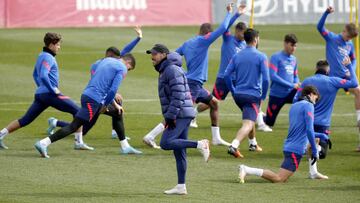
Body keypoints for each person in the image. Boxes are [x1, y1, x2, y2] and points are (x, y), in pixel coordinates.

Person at [143, 3, 241, 148]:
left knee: (214, 104)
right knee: (180, 112)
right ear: (208, 34)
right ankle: (151, 136)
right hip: (193, 83)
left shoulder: (188, 42)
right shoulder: (204, 40)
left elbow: (172, 55)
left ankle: (216, 138)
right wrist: (230, 13)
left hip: (194, 82)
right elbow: (222, 29)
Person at [46, 26, 143, 154]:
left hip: (95, 98)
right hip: (95, 100)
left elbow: (126, 52)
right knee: (81, 127)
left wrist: (138, 38)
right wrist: (107, 102)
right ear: (112, 56)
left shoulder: (107, 62)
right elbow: (104, 87)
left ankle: (122, 143)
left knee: (117, 111)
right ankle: (54, 126)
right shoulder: (103, 65)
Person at [0, 32, 92, 151]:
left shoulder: (41, 55)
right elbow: (43, 75)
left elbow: (35, 75)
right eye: (58, 44)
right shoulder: (48, 57)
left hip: (41, 95)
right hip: (49, 94)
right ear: (51, 45)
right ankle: (78, 142)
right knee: (79, 111)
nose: (59, 47)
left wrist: (41, 88)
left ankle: (1, 135)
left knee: (25, 120)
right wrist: (52, 89)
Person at [34, 52, 136, 158]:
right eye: (129, 68)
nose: (127, 70)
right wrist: (105, 105)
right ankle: (44, 143)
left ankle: (125, 147)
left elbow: (96, 73)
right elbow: (113, 90)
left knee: (117, 112)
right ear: (128, 62)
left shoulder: (106, 60)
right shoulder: (122, 69)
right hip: (94, 101)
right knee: (74, 126)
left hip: (87, 95)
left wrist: (114, 104)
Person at [146, 44, 210, 195]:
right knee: (179, 151)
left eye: (154, 54)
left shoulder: (171, 69)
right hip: (182, 112)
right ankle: (181, 186)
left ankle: (201, 144)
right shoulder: (166, 69)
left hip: (180, 113)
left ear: (163, 54)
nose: (152, 58)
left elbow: (179, 94)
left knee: (166, 143)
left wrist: (170, 115)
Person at [238, 86, 328, 183]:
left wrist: (320, 135)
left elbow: (302, 130)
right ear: (310, 94)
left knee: (316, 139)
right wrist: (314, 149)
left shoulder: (295, 106)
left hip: (289, 145)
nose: (316, 101)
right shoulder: (308, 106)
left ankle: (313, 172)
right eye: (316, 98)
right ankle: (247, 169)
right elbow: (309, 130)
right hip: (296, 149)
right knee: (279, 178)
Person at [294, 59, 358, 179]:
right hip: (323, 124)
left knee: (313, 145)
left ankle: (311, 164)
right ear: (328, 70)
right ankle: (311, 148)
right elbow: (354, 83)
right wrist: (349, 66)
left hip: (307, 120)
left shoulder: (307, 81)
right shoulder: (333, 81)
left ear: (316, 69)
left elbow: (295, 100)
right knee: (321, 152)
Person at [317, 6, 360, 150]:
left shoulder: (350, 44)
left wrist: (351, 69)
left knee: (359, 91)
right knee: (324, 104)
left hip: (345, 77)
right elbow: (319, 27)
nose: (348, 39)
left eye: (350, 38)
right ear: (344, 31)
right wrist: (326, 13)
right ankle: (315, 138)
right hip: (331, 79)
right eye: (348, 36)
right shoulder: (332, 38)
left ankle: (359, 117)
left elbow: (353, 59)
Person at [225, 28, 269, 158]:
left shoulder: (237, 55)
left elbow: (226, 75)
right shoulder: (261, 56)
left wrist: (233, 90)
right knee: (248, 123)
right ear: (255, 39)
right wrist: (263, 96)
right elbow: (266, 79)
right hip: (252, 96)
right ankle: (234, 145)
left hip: (238, 95)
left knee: (251, 117)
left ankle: (253, 143)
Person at [257, 34, 300, 131]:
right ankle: (259, 116)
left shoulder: (294, 59)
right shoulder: (276, 57)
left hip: (291, 93)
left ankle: (302, 123)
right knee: (269, 122)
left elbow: (295, 75)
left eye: (295, 46)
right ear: (285, 44)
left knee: (304, 99)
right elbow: (273, 76)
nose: (294, 48)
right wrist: (291, 85)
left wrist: (297, 83)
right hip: (277, 95)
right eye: (292, 45)